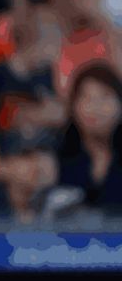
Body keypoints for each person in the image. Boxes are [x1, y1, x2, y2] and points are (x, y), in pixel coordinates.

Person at [57, 63, 122, 213]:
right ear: (73, 106)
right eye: (86, 97)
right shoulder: (57, 155)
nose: (95, 107)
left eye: (105, 96)